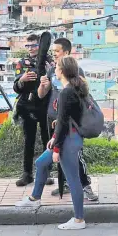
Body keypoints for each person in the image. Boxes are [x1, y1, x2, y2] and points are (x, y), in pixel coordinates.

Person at [16, 56, 88, 230]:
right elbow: (68, 117)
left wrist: (56, 146)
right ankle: (35, 199)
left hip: (68, 140)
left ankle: (79, 219)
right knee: (41, 163)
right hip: (67, 136)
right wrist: (57, 134)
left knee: (73, 180)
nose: (54, 69)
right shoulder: (71, 88)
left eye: (56, 67)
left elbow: (63, 121)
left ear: (62, 71)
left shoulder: (67, 92)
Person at [38, 38, 97, 201]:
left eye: (57, 51)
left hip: (71, 122)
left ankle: (85, 185)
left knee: (75, 154)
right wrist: (43, 85)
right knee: (58, 153)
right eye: (53, 51)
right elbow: (42, 94)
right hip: (54, 117)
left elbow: (82, 97)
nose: (54, 54)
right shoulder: (52, 71)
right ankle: (64, 184)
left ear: (66, 52)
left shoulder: (76, 71)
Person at [13, 34, 51, 186]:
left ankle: (47, 172)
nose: (31, 49)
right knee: (28, 141)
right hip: (26, 104)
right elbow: (15, 87)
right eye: (28, 46)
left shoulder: (49, 60)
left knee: (47, 139)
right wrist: (22, 80)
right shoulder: (21, 63)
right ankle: (27, 173)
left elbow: (54, 81)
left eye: (34, 45)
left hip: (45, 104)